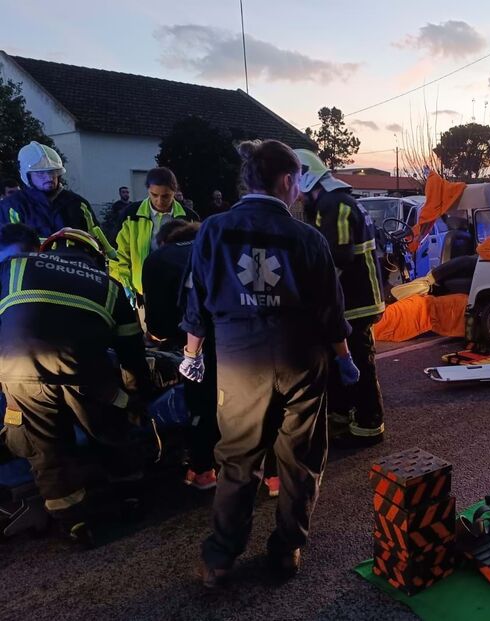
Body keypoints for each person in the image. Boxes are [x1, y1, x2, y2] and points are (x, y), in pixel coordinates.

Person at [180, 139, 359, 587]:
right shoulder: (307, 237)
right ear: (286, 180)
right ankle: (286, 549)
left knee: (238, 459)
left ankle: (220, 559)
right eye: (298, 178)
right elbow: (330, 315)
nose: (299, 188)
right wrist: (346, 360)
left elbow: (196, 301)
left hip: (240, 361)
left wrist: (191, 355)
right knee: (299, 460)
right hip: (301, 359)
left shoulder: (213, 230)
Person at [0, 225, 153, 545]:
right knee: (110, 430)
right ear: (96, 257)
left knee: (47, 450)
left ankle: (75, 524)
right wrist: (136, 396)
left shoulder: (15, 266)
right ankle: (131, 499)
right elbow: (131, 353)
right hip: (84, 372)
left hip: (19, 369)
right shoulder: (107, 285)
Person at [296, 149, 386, 448]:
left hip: (356, 301)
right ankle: (343, 414)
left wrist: (312, 291)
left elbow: (338, 256)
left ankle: (368, 424)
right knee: (342, 360)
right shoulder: (338, 201)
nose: (298, 197)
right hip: (355, 298)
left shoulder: (333, 204)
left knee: (358, 360)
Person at [141, 220, 218, 491]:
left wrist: (158, 339)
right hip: (243, 338)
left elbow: (158, 326)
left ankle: (203, 469)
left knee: (201, 403)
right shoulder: (216, 245)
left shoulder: (158, 259)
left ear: (164, 241)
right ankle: (270, 473)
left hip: (196, 341)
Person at [0, 142, 112, 255]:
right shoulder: (11, 206)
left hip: (73, 269)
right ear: (27, 175)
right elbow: (7, 250)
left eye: (53, 172)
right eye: (41, 173)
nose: (49, 177)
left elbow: (98, 243)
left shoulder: (78, 203)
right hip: (30, 270)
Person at [111, 167, 199, 300]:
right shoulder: (131, 215)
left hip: (180, 291)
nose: (159, 201)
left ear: (174, 192)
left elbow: (197, 255)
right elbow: (119, 255)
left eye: (166, 196)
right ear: (148, 191)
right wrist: (126, 285)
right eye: (154, 195)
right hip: (141, 291)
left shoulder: (189, 218)